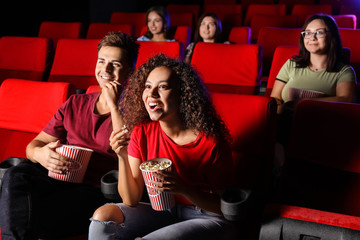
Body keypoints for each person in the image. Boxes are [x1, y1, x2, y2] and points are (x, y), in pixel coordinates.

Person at [0, 32, 139, 239]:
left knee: (28, 212)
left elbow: (123, 145)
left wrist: (113, 104)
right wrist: (42, 155)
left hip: (98, 192)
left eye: (116, 64)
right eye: (101, 61)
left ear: (130, 72)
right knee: (16, 175)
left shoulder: (138, 112)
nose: (106, 69)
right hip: (59, 180)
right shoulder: (76, 103)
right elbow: (33, 146)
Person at [88, 54, 236, 240]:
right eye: (148, 87)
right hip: (163, 210)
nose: (152, 94)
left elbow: (225, 208)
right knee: (102, 218)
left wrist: (185, 189)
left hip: (206, 216)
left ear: (183, 94)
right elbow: (130, 199)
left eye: (163, 87)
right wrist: (122, 155)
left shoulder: (210, 142)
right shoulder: (142, 131)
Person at [270, 14, 356, 145]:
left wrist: (302, 103)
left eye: (319, 32)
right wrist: (281, 108)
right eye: (308, 33)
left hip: (322, 128)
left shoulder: (344, 71)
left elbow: (345, 99)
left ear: (332, 37)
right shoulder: (291, 64)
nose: (312, 37)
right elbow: (275, 97)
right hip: (285, 123)